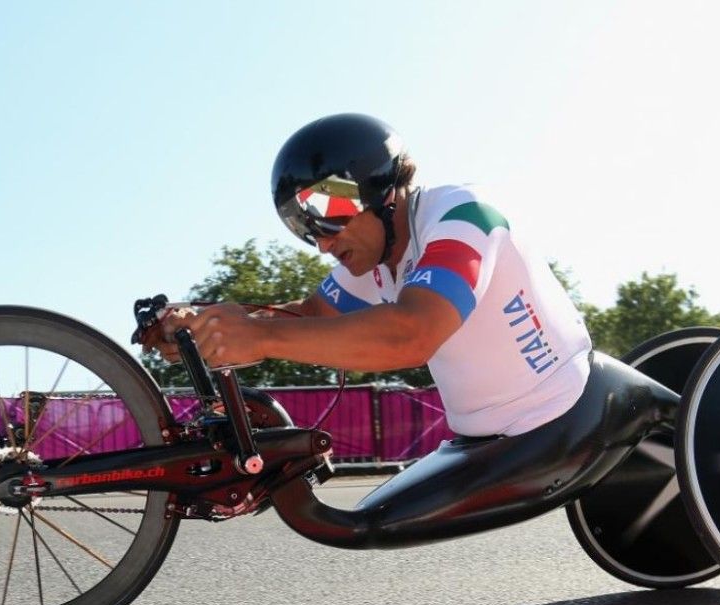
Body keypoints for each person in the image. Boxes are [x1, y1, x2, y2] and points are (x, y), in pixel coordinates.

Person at [152, 112, 593, 438]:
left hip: (559, 414)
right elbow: (310, 316)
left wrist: (260, 338)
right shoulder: (376, 251)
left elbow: (413, 335)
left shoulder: (464, 215)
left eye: (326, 216)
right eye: (303, 227)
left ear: (378, 190)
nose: (321, 242)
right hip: (479, 438)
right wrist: (207, 327)